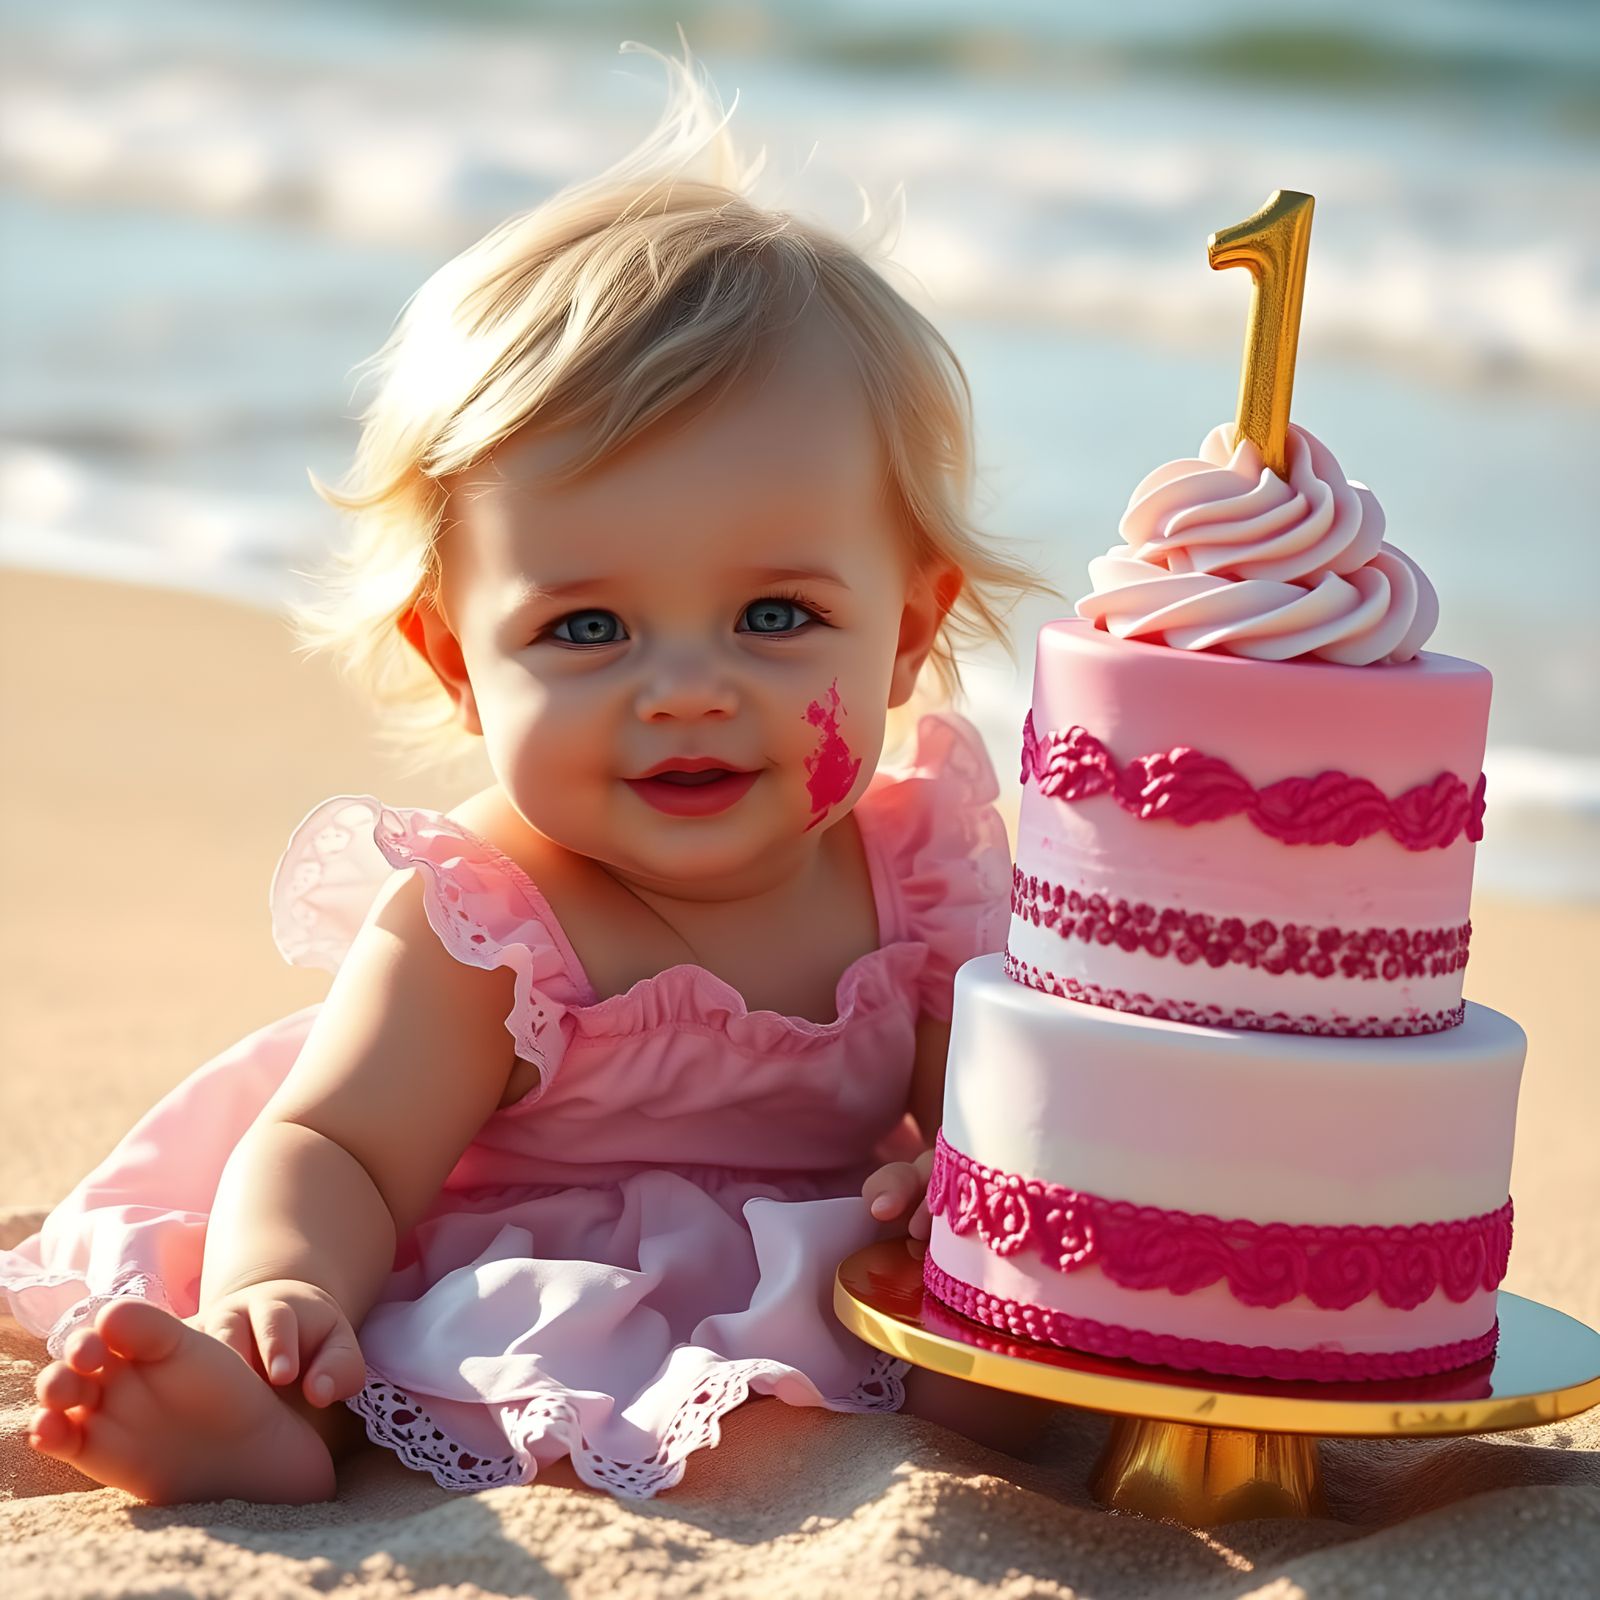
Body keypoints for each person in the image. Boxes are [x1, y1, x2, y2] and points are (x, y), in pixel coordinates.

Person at [3, 41, 1057, 1505]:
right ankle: (263, 1417)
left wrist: (949, 1178)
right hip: (519, 1264)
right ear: (455, 660)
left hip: (803, 1275)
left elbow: (984, 1121)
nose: (686, 686)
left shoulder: (922, 877)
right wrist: (282, 1292)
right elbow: (339, 1151)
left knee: (1004, 1349)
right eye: (586, 627)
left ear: (906, 634)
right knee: (392, 1347)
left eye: (775, 617)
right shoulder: (490, 924)